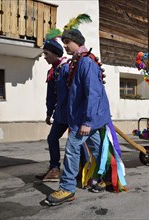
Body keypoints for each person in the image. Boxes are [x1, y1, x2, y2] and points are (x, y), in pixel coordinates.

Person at [45, 29, 126, 206]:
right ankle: (106, 178)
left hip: (88, 118)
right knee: (97, 150)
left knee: (72, 149)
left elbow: (93, 93)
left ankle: (67, 188)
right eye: (64, 42)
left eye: (67, 42)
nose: (64, 45)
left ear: (77, 42)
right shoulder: (77, 61)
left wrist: (87, 121)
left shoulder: (86, 62)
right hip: (87, 117)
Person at [36, 39, 69, 182]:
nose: (44, 56)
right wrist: (49, 113)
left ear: (55, 54)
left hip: (73, 113)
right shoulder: (52, 71)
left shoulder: (68, 68)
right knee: (52, 138)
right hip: (61, 114)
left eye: (46, 53)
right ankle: (54, 169)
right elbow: (51, 96)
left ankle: (85, 172)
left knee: (78, 144)